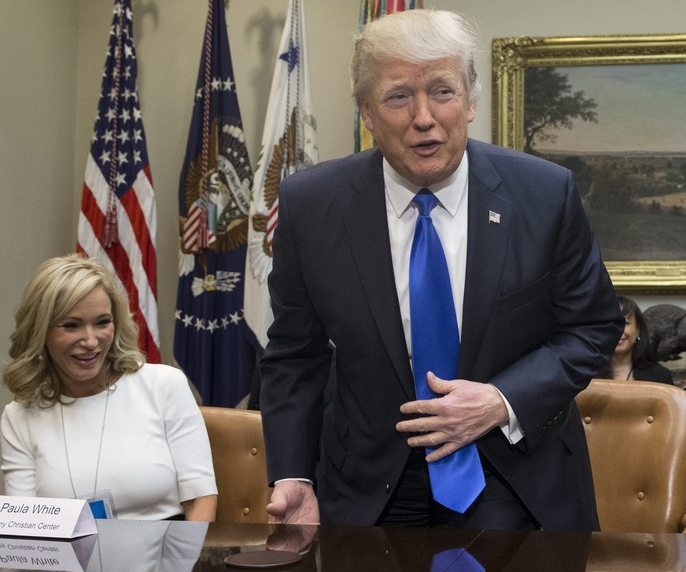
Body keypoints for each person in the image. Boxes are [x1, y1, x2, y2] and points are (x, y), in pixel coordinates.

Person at [258, 9, 623, 531]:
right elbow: (294, 355)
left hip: (512, 478)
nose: (423, 117)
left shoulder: (544, 195)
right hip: (369, 489)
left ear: (472, 100)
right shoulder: (311, 205)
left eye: (442, 91)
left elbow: (592, 328)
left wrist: (501, 400)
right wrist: (293, 474)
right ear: (366, 110)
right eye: (398, 96)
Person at [0, 254, 217, 521]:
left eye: (102, 322)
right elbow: (22, 524)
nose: (91, 341)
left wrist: (184, 561)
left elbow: (200, 499)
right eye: (72, 325)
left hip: (163, 557)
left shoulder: (164, 385)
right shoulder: (20, 415)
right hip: (66, 561)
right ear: (40, 331)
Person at [596, 295, 673, 384]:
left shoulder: (660, 376)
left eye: (625, 323)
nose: (618, 330)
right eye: (609, 323)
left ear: (637, 330)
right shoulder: (584, 373)